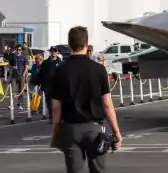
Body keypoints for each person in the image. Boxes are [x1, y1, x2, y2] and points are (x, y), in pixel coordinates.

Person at [51, 26, 122, 173]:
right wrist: (116, 133)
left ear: (69, 44)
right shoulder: (99, 70)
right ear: (86, 44)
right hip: (94, 129)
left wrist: (57, 132)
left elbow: (56, 107)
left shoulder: (60, 70)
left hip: (70, 128)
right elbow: (107, 104)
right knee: (98, 169)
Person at [37, 47, 62, 122]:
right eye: (52, 51)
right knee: (49, 101)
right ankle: (51, 117)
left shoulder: (60, 63)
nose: (53, 53)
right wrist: (39, 83)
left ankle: (58, 116)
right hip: (47, 85)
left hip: (57, 85)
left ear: (57, 52)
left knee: (57, 101)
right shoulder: (45, 63)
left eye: (55, 51)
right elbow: (41, 73)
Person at [8, 45, 29, 111]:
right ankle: (11, 104)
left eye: (19, 50)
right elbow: (8, 65)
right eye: (17, 49)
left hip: (21, 76)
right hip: (14, 76)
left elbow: (26, 67)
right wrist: (12, 67)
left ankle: (19, 104)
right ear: (15, 50)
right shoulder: (12, 56)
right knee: (12, 90)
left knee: (21, 91)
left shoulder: (24, 57)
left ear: (21, 50)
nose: (18, 51)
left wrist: (24, 74)